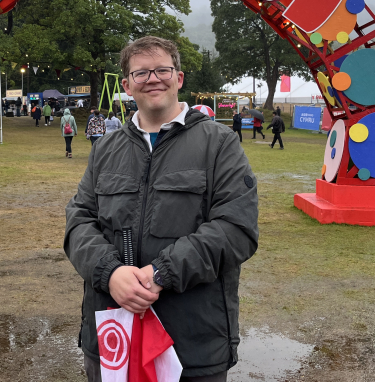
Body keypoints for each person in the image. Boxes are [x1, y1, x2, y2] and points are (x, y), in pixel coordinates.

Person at [64, 36, 258, 381]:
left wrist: (161, 273)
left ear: (179, 78)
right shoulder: (105, 149)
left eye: (162, 70)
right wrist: (110, 272)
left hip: (192, 343)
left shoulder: (219, 144)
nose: (153, 79)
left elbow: (235, 229)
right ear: (126, 85)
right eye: (141, 73)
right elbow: (79, 222)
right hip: (112, 338)